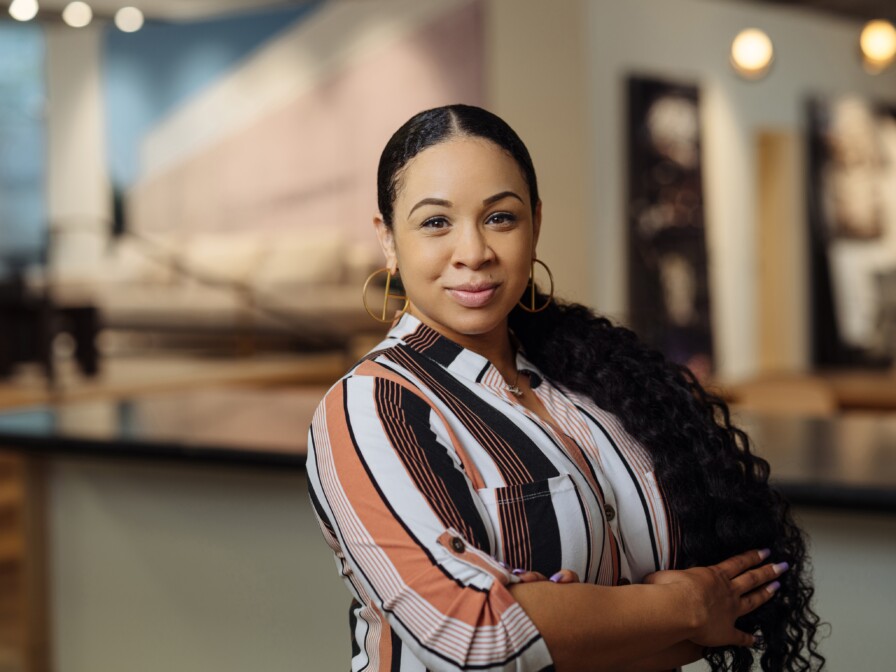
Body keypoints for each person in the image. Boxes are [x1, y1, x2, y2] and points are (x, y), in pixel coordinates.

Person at [306, 104, 823, 672]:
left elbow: (725, 614)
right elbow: (473, 638)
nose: (474, 252)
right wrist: (684, 602)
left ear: (535, 224)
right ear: (388, 240)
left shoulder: (595, 382)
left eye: (500, 218)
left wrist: (573, 621)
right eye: (436, 222)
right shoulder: (372, 407)